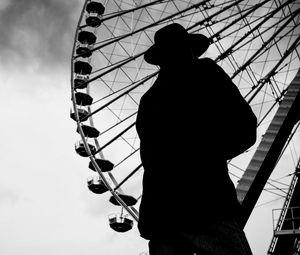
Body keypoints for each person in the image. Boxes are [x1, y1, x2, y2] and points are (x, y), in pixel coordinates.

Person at [136, 23, 257, 255]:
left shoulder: (148, 100)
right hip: (207, 203)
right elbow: (245, 127)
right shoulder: (205, 72)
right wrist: (209, 155)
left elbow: (150, 158)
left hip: (161, 215)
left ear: (160, 60)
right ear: (188, 49)